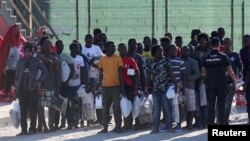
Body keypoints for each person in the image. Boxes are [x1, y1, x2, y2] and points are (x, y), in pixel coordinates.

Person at [202, 37, 237, 125]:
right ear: (219, 45)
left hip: (210, 85)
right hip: (222, 85)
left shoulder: (206, 57)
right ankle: (221, 124)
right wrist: (235, 81)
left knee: (211, 106)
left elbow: (203, 73)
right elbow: (230, 71)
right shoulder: (223, 56)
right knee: (221, 106)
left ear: (210, 45)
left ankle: (211, 124)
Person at [15, 42, 48, 136]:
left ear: (31, 51)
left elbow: (45, 72)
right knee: (23, 111)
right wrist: (16, 88)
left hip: (32, 89)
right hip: (21, 90)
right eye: (25, 51)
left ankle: (32, 129)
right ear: (23, 52)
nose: (27, 53)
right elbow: (17, 75)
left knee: (33, 111)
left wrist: (38, 82)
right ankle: (24, 130)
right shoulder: (20, 61)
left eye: (29, 51)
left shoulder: (36, 61)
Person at [146, 45, 176, 133]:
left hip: (165, 89)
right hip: (155, 89)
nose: (161, 52)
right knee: (156, 110)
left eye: (162, 51)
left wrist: (175, 84)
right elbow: (148, 75)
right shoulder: (150, 62)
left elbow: (171, 73)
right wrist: (147, 87)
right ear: (154, 52)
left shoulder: (166, 60)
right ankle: (155, 128)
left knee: (167, 109)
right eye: (159, 51)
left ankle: (169, 127)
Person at [97, 41, 124, 133]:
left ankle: (118, 126)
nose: (114, 48)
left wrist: (122, 88)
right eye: (112, 46)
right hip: (105, 87)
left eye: (114, 46)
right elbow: (100, 73)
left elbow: (120, 74)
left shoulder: (118, 58)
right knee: (105, 108)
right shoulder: (102, 59)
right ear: (107, 47)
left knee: (117, 107)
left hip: (116, 86)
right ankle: (105, 127)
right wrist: (99, 86)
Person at [37, 38, 61, 132]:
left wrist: (58, 88)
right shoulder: (39, 56)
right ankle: (44, 126)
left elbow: (58, 74)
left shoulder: (54, 57)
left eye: (48, 45)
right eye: (44, 44)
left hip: (51, 86)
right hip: (40, 86)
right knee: (40, 107)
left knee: (52, 108)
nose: (45, 46)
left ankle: (50, 126)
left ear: (50, 46)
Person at [82, 34, 104, 125]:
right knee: (89, 98)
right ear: (85, 40)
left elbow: (102, 57)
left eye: (91, 39)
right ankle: (89, 118)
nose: (89, 41)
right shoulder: (82, 49)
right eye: (87, 39)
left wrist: (94, 59)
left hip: (97, 76)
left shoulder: (97, 48)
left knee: (98, 97)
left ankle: (99, 118)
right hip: (88, 76)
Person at [118, 43, 139, 131]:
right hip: (119, 86)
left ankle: (131, 124)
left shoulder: (130, 60)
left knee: (131, 104)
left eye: (124, 49)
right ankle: (126, 123)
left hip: (129, 86)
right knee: (123, 105)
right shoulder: (117, 60)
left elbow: (137, 73)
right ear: (118, 50)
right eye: (121, 49)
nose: (123, 50)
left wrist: (135, 87)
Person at [67, 42, 89, 129]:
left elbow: (84, 71)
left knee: (76, 104)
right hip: (68, 85)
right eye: (77, 48)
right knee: (69, 105)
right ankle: (69, 123)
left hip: (77, 85)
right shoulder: (67, 58)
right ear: (72, 49)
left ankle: (76, 122)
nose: (79, 50)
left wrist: (87, 83)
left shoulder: (80, 58)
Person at [0, 24, 26, 96]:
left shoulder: (21, 39)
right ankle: (7, 91)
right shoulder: (7, 39)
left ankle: (15, 91)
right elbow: (3, 52)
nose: (16, 32)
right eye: (15, 30)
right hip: (8, 65)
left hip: (19, 64)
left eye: (18, 30)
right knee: (8, 77)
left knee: (17, 78)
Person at [54, 40, 75, 129]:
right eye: (59, 45)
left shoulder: (66, 56)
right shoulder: (53, 55)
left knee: (66, 105)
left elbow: (72, 70)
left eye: (62, 45)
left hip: (65, 85)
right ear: (56, 46)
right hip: (56, 84)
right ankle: (56, 124)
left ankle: (69, 123)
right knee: (56, 105)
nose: (61, 47)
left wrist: (66, 81)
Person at [192, 33, 211, 128]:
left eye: (205, 40)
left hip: (207, 80)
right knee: (197, 102)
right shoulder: (194, 51)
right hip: (196, 80)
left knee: (205, 102)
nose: (203, 42)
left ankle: (205, 121)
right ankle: (198, 121)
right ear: (198, 41)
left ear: (207, 41)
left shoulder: (210, 51)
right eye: (201, 40)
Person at [224, 38, 242, 124]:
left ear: (231, 44)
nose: (226, 45)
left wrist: (238, 75)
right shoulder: (221, 55)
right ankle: (222, 119)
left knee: (229, 101)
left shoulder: (235, 55)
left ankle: (225, 120)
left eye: (228, 43)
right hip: (222, 82)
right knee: (222, 101)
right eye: (225, 43)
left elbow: (240, 66)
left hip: (232, 82)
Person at [181, 46, 200, 130]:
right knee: (181, 106)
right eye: (183, 50)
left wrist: (188, 78)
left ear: (189, 52)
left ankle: (189, 124)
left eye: (187, 50)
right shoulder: (179, 60)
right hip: (179, 87)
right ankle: (181, 123)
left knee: (191, 106)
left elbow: (197, 74)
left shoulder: (193, 62)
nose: (185, 52)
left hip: (190, 86)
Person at [169, 44, 186, 132]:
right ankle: (170, 125)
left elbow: (183, 75)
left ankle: (178, 124)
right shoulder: (166, 61)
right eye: (171, 50)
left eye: (175, 50)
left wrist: (183, 88)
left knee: (178, 106)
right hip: (168, 86)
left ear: (177, 51)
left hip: (178, 86)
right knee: (169, 106)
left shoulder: (180, 61)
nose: (173, 51)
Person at [240, 34, 250, 124]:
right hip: (246, 77)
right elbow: (242, 65)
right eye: (245, 41)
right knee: (248, 99)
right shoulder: (242, 51)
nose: (247, 42)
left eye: (248, 41)